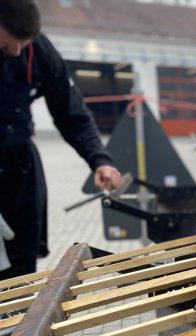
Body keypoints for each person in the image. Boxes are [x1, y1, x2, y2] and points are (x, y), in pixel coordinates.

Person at [0, 0, 122, 280]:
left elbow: (71, 112)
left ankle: (15, 306)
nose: (16, 52)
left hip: (20, 164)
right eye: (5, 46)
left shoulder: (40, 51)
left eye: (23, 45)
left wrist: (99, 159)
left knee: (21, 258)